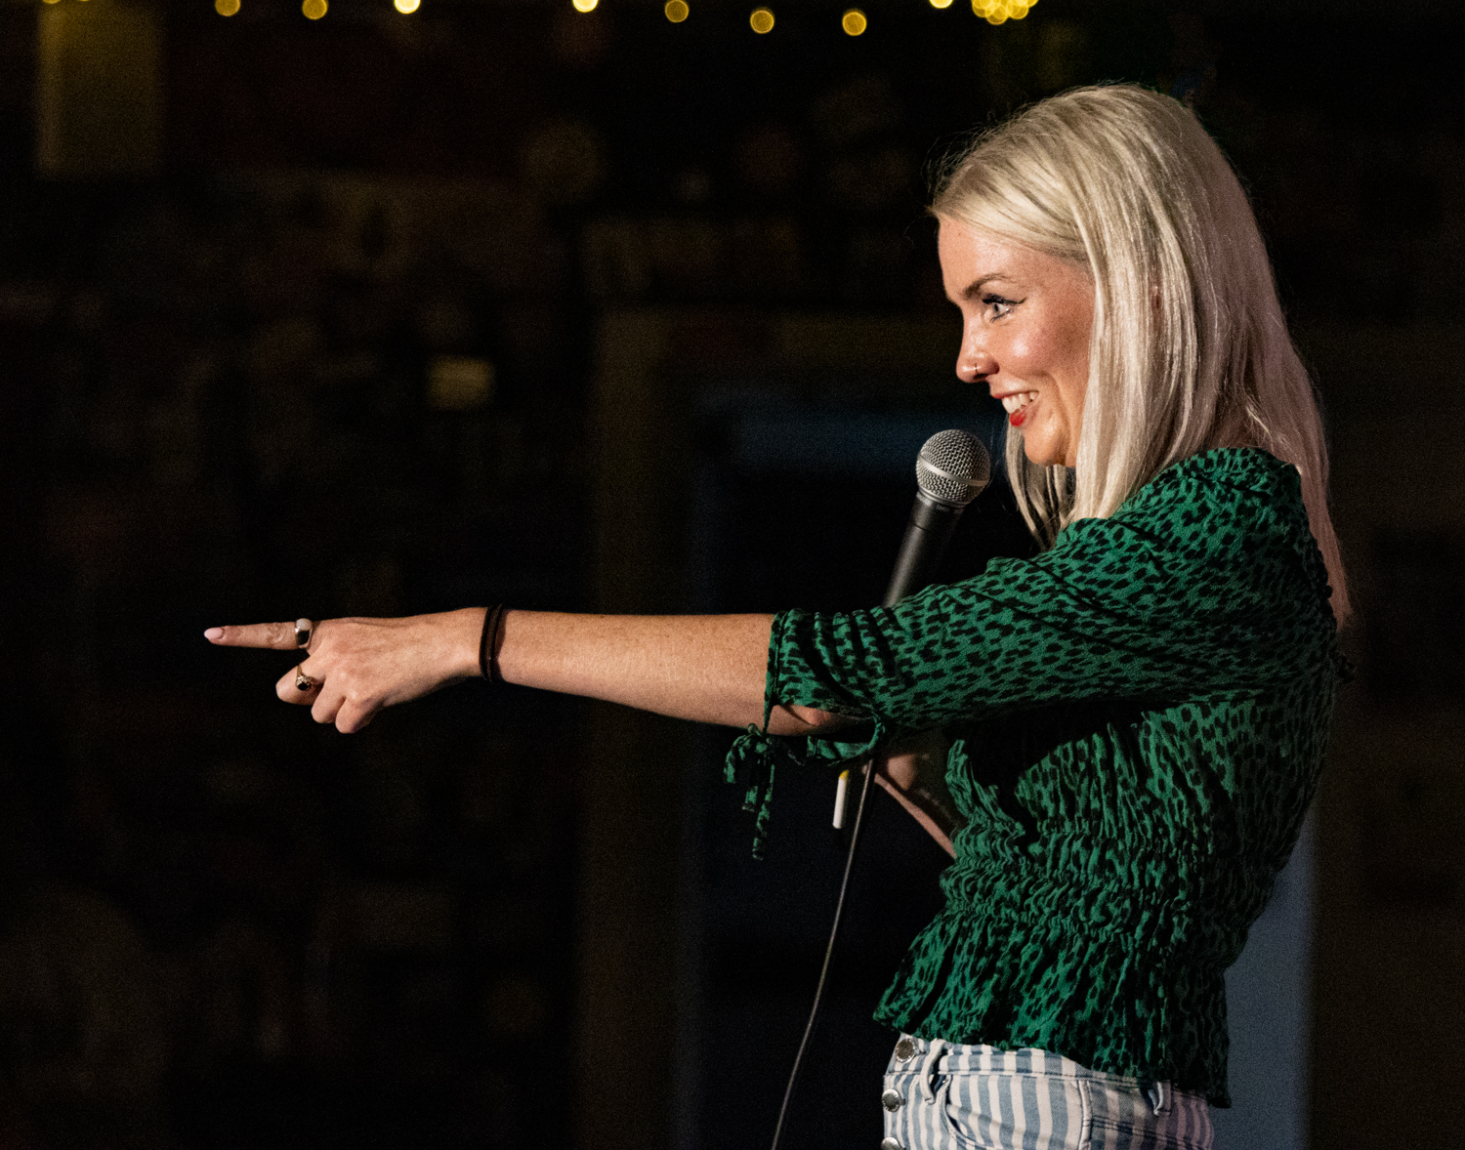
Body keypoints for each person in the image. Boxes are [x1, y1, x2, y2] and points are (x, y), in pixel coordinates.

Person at [206, 85, 1348, 1150]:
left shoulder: (1218, 526)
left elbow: (832, 670)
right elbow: (1090, 893)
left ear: (1141, 283)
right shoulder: (1191, 536)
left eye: (997, 303)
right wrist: (933, 781)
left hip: (1044, 1100)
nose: (969, 357)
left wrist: (464, 639)